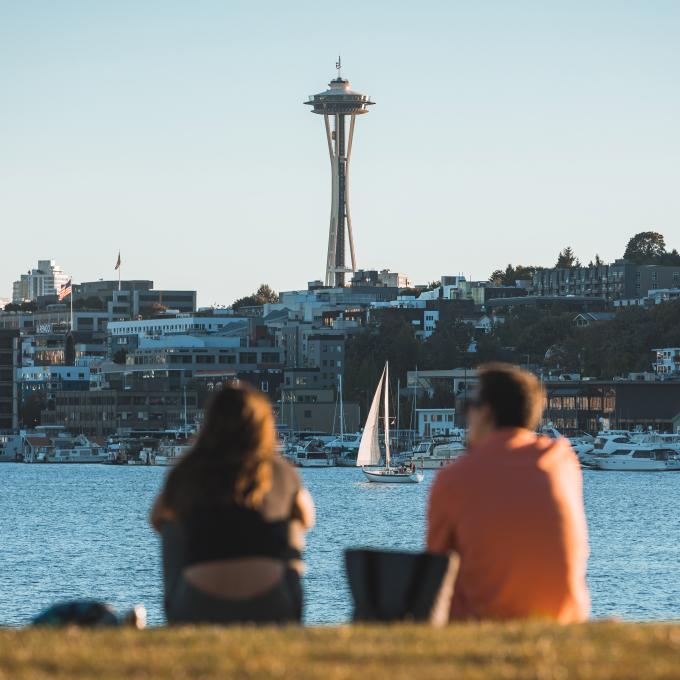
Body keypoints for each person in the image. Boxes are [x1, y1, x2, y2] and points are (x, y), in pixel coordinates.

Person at [427, 363, 589, 623]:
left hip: (481, 625)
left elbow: (433, 573)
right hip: (565, 622)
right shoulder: (563, 461)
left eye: (469, 406)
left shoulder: (453, 479)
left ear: (486, 413)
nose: (467, 415)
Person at [150, 385, 315, 624]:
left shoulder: (187, 472)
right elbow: (307, 518)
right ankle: (291, 616)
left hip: (198, 601)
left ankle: (176, 617)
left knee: (171, 527)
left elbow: (156, 518)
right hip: (271, 601)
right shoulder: (281, 472)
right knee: (292, 524)